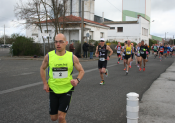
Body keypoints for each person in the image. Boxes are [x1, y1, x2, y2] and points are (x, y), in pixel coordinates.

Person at [40, 33, 84, 123]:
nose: (58, 44)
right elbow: (42, 68)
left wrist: (77, 80)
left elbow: (81, 71)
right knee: (53, 118)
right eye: (56, 42)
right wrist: (45, 83)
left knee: (61, 117)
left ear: (66, 43)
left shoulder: (72, 57)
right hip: (53, 89)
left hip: (67, 89)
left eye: (60, 42)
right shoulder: (49, 56)